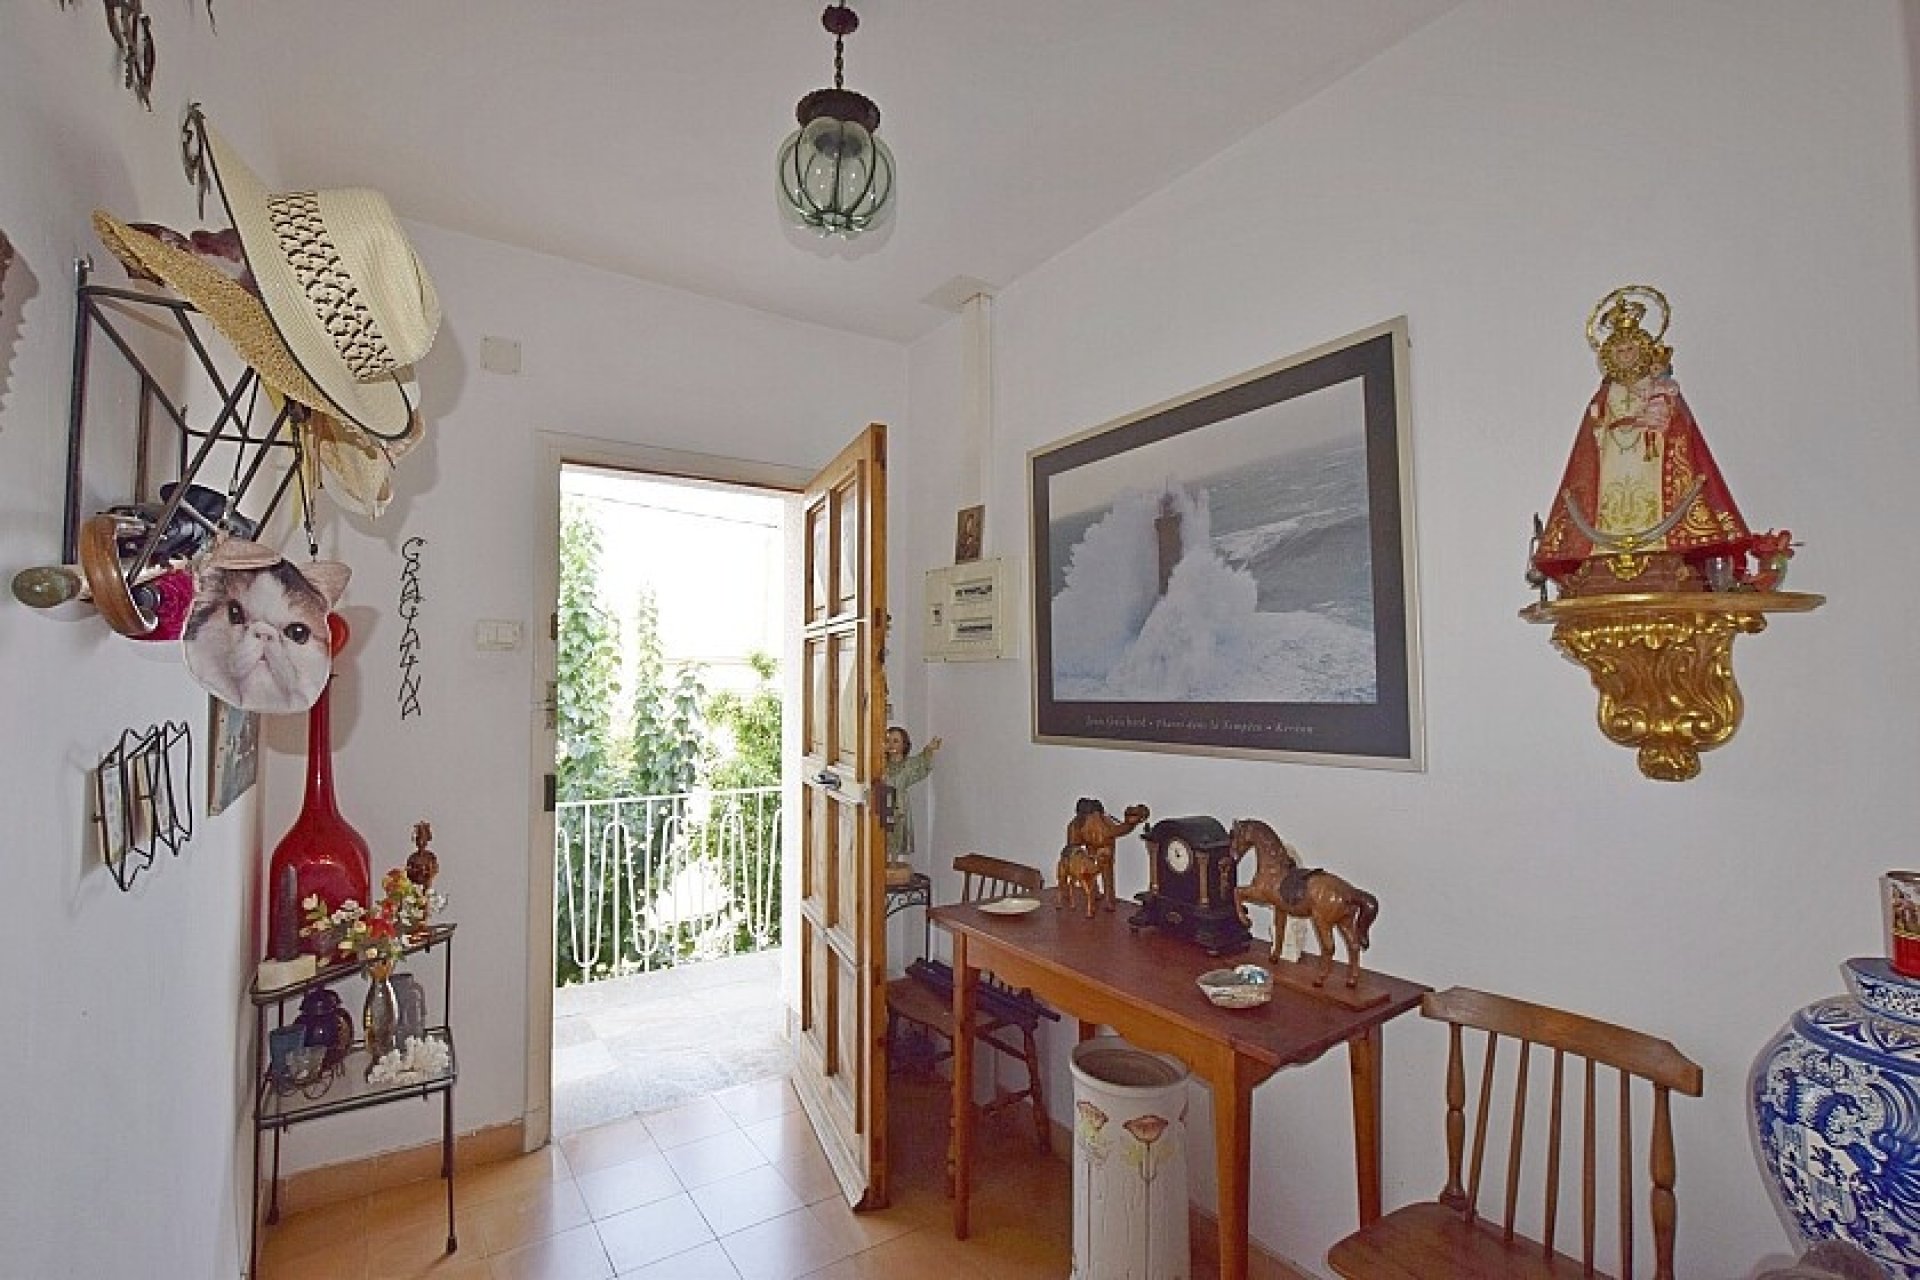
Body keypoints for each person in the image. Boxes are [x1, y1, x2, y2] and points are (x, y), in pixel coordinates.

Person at [1533, 288, 1752, 596]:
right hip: (1613, 459)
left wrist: (1658, 418)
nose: (1625, 355)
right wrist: (1603, 428)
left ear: (1642, 351)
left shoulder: (1657, 388)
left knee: (1653, 497)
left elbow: (1677, 430)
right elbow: (1591, 435)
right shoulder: (1605, 395)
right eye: (1619, 351)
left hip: (1651, 457)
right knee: (1610, 500)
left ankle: (1660, 547)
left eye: (1630, 349)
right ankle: (1603, 551)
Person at [883, 725, 941, 877]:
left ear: (904, 745)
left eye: (896, 741)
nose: (891, 745)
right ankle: (882, 861)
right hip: (882, 802)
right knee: (882, 834)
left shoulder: (908, 764)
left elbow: (921, 762)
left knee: (896, 833)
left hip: (899, 805)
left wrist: (929, 749)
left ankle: (893, 863)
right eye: (888, 741)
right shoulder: (881, 764)